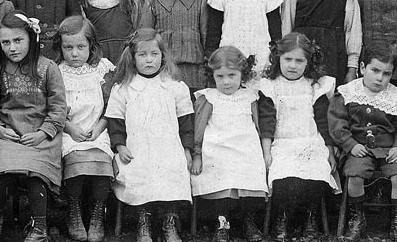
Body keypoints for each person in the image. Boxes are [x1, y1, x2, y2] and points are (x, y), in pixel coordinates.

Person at [0, 12, 67, 242]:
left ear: (31, 38)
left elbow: (58, 108)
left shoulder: (49, 69)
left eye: (18, 40)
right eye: (5, 42)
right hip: (6, 136)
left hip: (40, 135)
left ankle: (39, 227)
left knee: (36, 172)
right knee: (6, 170)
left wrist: (43, 133)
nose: (12, 48)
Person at [104, 28, 193, 242]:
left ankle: (168, 222)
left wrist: (187, 150)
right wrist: (120, 146)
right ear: (133, 59)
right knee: (139, 174)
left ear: (162, 56)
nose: (149, 60)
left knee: (171, 172)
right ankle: (143, 220)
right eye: (142, 55)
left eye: (154, 54)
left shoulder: (174, 87)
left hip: (169, 147)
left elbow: (186, 122)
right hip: (136, 147)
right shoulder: (123, 88)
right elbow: (115, 122)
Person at [258, 33, 338, 241]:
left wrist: (329, 149)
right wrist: (266, 152)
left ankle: (310, 217)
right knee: (282, 171)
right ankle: (282, 218)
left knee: (317, 170)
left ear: (308, 61)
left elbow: (323, 121)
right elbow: (267, 122)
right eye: (288, 59)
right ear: (278, 59)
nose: (293, 66)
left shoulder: (315, 86)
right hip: (281, 142)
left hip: (310, 141)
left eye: (299, 60)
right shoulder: (271, 85)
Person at [328, 43, 397, 242]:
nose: (380, 78)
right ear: (363, 68)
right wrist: (350, 145)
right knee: (354, 176)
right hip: (358, 148)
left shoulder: (394, 95)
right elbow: (337, 124)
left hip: (387, 149)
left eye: (387, 74)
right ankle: (358, 218)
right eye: (375, 71)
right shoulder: (348, 92)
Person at [190, 46, 267, 242]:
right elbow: (198, 129)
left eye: (232, 75)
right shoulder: (208, 97)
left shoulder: (250, 96)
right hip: (217, 148)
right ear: (212, 76)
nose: (226, 82)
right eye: (220, 76)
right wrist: (197, 154)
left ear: (243, 74)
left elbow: (257, 126)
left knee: (250, 170)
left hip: (245, 146)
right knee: (220, 172)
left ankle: (248, 220)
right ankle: (222, 221)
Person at [54, 17, 115, 242]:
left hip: (97, 129)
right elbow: (53, 108)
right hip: (68, 130)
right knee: (74, 161)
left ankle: (98, 213)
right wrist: (69, 128)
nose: (75, 54)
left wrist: (100, 127)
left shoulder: (102, 69)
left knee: (102, 161)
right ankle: (74, 211)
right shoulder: (57, 72)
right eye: (68, 48)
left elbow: (113, 106)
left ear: (91, 45)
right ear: (60, 48)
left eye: (81, 47)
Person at [140, 0, 207, 89]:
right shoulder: (151, 4)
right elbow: (145, 40)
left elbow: (206, 38)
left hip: (195, 72)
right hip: (163, 72)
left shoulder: (200, 1)